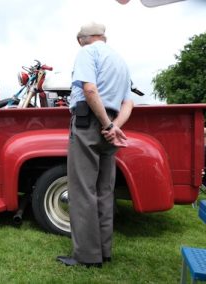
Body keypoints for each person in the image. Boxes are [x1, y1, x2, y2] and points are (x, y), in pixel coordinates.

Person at [57, 22, 134, 268]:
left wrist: (106, 125)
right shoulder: (121, 61)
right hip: (110, 122)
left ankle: (87, 256)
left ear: (84, 38)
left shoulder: (87, 52)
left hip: (89, 122)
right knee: (104, 191)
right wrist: (114, 127)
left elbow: (89, 90)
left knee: (82, 191)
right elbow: (128, 103)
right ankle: (104, 250)